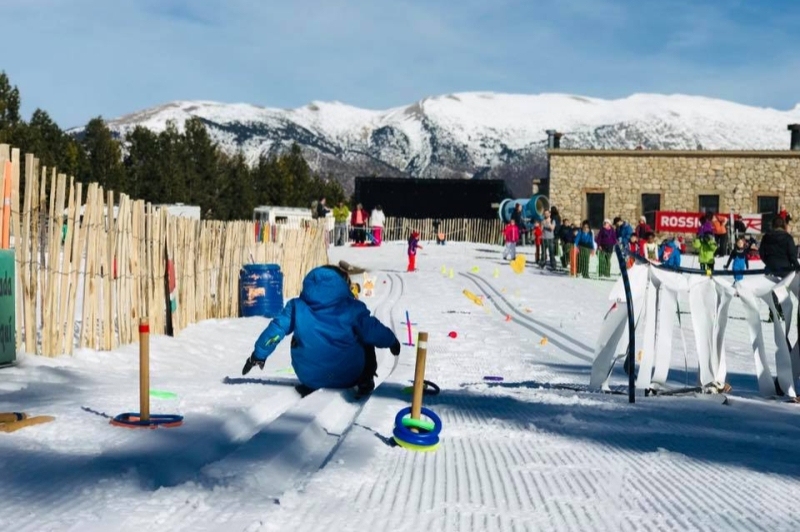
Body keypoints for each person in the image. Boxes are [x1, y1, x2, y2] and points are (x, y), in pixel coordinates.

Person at [242, 265, 401, 396]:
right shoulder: (352, 308)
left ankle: (315, 373)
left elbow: (276, 330)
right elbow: (374, 331)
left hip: (309, 377)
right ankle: (366, 380)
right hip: (349, 375)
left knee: (302, 332)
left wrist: (258, 355)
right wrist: (392, 341)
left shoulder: (297, 306)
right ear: (342, 284)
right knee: (366, 336)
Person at [759, 216, 799, 321]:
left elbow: (761, 252)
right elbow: (792, 254)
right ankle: (782, 311)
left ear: (773, 225)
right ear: (783, 226)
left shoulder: (766, 237)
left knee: (772, 289)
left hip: (771, 267)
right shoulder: (787, 238)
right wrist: (795, 265)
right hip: (785, 267)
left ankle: (773, 312)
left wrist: (768, 262)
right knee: (783, 289)